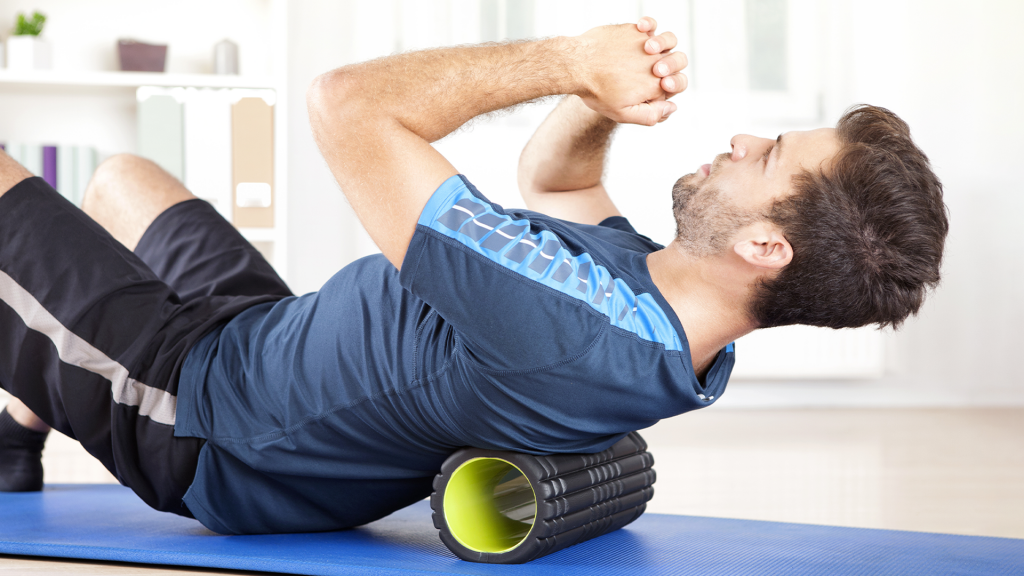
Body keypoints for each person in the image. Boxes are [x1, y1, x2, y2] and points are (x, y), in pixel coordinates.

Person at [0, 17, 947, 533]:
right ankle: (19, 428)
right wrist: (596, 96)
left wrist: (567, 58)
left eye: (769, 152)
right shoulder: (665, 318)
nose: (743, 138)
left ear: (767, 247)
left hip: (205, 416)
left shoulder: (577, 334)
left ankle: (39, 388)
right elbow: (561, 179)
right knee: (124, 179)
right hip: (268, 338)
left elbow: (350, 107)